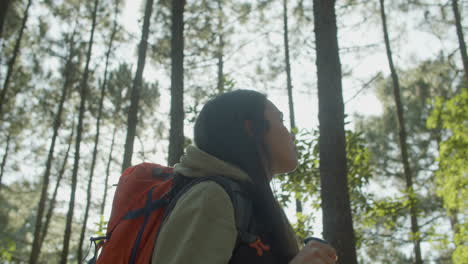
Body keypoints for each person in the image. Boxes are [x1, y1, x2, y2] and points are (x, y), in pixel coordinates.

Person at [151, 90, 337, 264]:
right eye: (280, 120)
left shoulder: (247, 202)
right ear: (251, 128)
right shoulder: (211, 197)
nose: (291, 135)